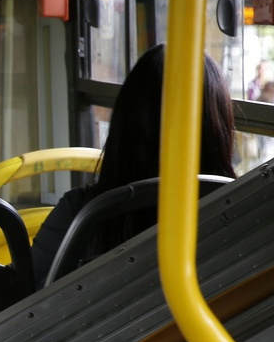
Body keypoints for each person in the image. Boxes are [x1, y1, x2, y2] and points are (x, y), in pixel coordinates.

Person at [31, 43, 237, 289]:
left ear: (125, 123)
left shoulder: (82, 216)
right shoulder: (241, 210)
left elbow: (27, 301)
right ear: (217, 128)